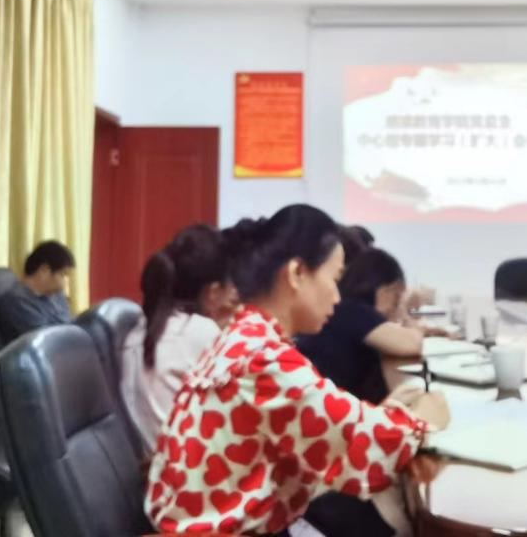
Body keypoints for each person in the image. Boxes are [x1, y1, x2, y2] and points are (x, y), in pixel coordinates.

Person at [145, 204, 449, 536]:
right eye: (334, 279)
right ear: (297, 273)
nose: (337, 297)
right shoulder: (264, 360)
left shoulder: (244, 336)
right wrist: (424, 420)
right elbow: (365, 443)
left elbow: (340, 427)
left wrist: (398, 423)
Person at [120, 224, 240, 453]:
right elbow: (240, 411)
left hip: (156, 463)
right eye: (231, 283)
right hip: (186, 468)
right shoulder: (200, 331)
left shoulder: (142, 327)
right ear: (213, 292)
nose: (235, 292)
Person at [297, 247, 422, 404]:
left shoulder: (345, 311)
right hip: (336, 407)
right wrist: (407, 313)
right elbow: (412, 343)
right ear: (385, 291)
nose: (395, 305)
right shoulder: (355, 311)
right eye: (397, 296)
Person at [0, 240, 75, 338]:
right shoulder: (17, 301)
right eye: (63, 275)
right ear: (44, 270)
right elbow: (46, 340)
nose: (66, 282)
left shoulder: (56, 294)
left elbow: (70, 326)